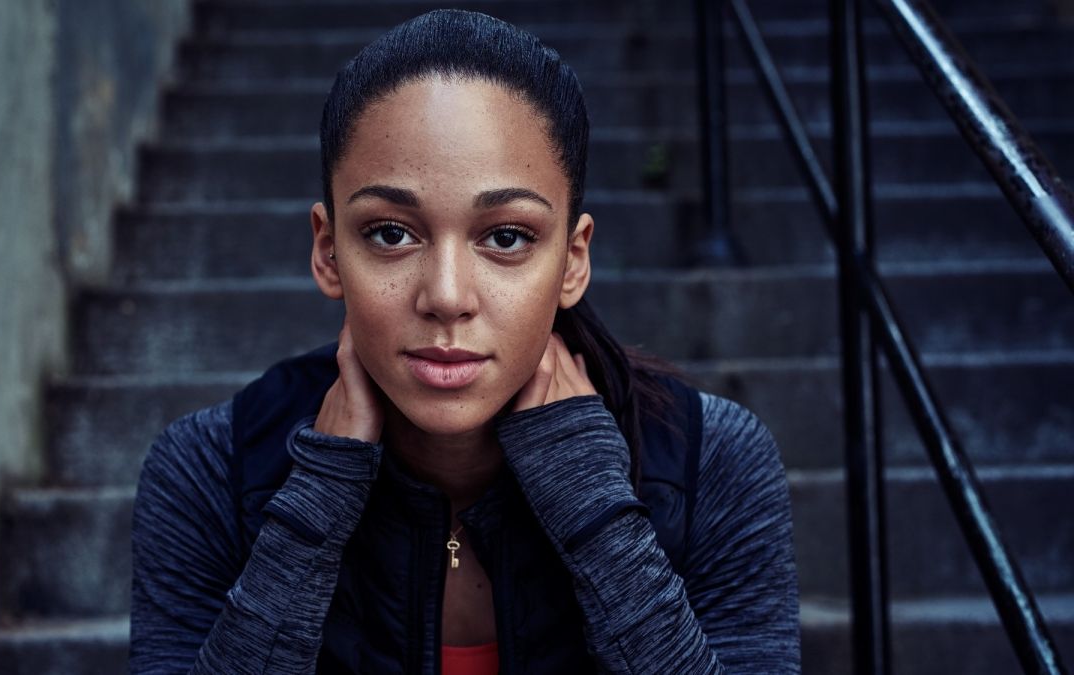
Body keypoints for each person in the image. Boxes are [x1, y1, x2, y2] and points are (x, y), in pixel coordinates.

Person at [129, 9, 799, 674]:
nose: (447, 295)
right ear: (329, 251)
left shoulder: (709, 463)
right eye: (391, 233)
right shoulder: (212, 471)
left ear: (573, 260)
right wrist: (316, 503)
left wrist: (588, 498)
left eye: (506, 237)